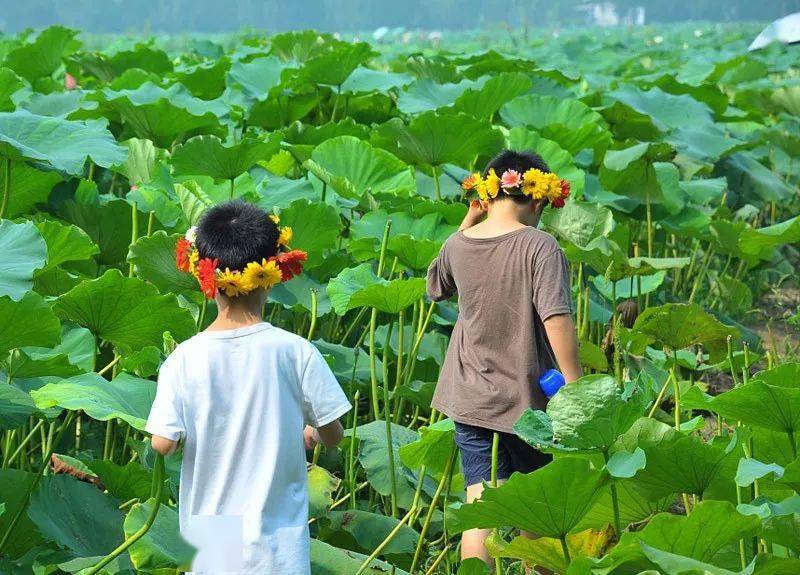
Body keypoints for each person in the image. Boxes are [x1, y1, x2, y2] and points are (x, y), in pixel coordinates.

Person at [146, 200, 351, 574]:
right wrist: (310, 433)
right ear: (273, 271)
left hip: (212, 535)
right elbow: (333, 434)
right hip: (277, 537)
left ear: (202, 274)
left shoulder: (184, 359)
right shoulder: (296, 352)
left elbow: (163, 443)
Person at [426, 150, 582, 566]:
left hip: (470, 397)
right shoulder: (539, 245)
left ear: (488, 194)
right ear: (536, 198)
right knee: (540, 503)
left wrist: (467, 223)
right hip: (526, 398)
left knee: (481, 506)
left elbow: (436, 286)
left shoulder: (458, 244)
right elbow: (557, 319)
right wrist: (577, 385)